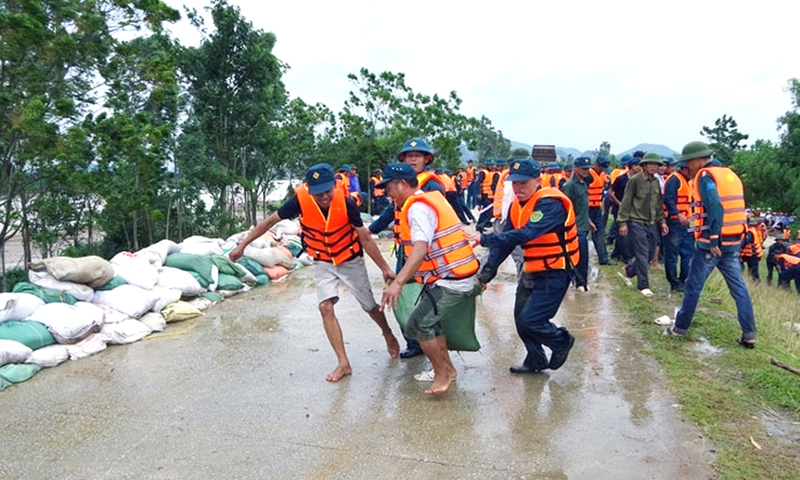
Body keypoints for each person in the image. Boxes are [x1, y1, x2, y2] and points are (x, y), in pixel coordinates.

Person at [229, 163, 400, 381]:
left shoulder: (347, 204)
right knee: (325, 306)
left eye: (328, 191)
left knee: (369, 307)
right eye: (318, 192)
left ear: (334, 187)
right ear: (309, 189)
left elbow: (365, 238)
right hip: (323, 260)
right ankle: (343, 363)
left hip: (349, 258)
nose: (324, 196)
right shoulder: (299, 202)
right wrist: (242, 245)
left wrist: (384, 268)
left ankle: (387, 333)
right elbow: (268, 223)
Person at [466, 159, 577, 374]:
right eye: (514, 184)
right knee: (520, 319)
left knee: (532, 320)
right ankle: (535, 360)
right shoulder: (516, 205)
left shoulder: (550, 204)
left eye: (523, 183)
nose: (518, 188)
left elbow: (528, 233)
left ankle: (561, 340)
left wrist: (484, 239)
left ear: (537, 180)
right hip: (532, 269)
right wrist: (486, 273)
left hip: (555, 270)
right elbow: (506, 242)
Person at [379, 163, 480, 395]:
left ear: (403, 184)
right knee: (430, 322)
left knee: (419, 324)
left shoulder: (417, 209)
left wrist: (398, 283)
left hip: (451, 279)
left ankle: (442, 373)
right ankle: (448, 369)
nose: (388, 194)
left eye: (390, 188)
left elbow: (420, 249)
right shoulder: (427, 199)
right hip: (450, 275)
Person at [666, 141, 756, 348]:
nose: (689, 166)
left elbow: (715, 206)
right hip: (734, 240)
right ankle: (749, 334)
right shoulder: (730, 174)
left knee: (693, 286)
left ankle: (679, 329)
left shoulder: (705, 176)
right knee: (739, 288)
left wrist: (714, 238)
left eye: (689, 162)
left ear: (699, 159)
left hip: (712, 243)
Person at [368, 137, 447, 359]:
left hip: (425, 251)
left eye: (418, 155)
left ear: (426, 159)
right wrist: (371, 229)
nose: (413, 159)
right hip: (405, 250)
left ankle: (430, 344)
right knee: (403, 296)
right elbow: (391, 212)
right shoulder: (399, 184)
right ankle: (413, 343)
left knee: (425, 299)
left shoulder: (431, 185)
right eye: (409, 156)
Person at [618, 153, 668, 297]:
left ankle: (628, 271)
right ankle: (643, 286)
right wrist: (622, 223)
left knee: (651, 252)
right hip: (636, 221)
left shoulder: (656, 182)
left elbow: (658, 205)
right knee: (642, 252)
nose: (653, 167)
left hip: (651, 221)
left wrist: (662, 221)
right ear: (644, 165)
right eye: (650, 164)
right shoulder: (635, 181)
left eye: (656, 165)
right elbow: (626, 202)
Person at [662, 160, 695, 292]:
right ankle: (674, 282)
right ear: (685, 168)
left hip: (688, 223)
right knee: (672, 254)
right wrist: (678, 214)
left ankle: (683, 280)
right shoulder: (674, 180)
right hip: (675, 222)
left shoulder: (689, 181)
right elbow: (668, 199)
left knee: (688, 253)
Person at [562, 156, 592, 291]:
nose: (586, 171)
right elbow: (566, 207)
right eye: (583, 168)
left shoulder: (583, 183)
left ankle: (581, 283)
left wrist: (589, 221)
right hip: (574, 227)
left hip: (583, 225)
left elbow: (582, 206)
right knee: (578, 256)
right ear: (575, 168)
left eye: (587, 169)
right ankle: (579, 283)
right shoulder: (569, 186)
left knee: (584, 256)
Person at [587, 156, 612, 265]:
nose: (602, 170)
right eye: (600, 167)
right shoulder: (587, 175)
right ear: (596, 165)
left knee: (600, 232)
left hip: (597, 208)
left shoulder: (602, 175)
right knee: (582, 234)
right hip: (587, 208)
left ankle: (604, 259)